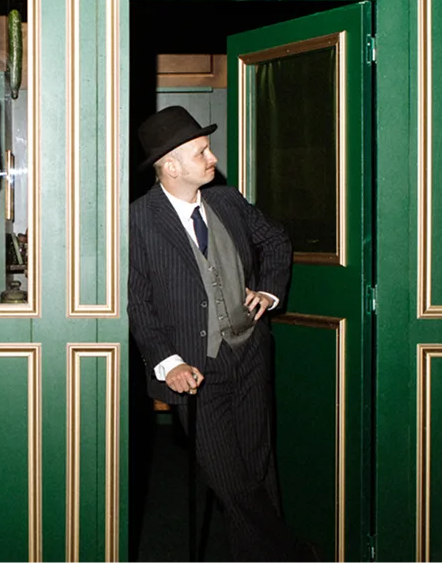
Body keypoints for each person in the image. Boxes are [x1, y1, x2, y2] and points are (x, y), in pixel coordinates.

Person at [127, 105, 304, 561]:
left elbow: (276, 239)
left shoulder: (227, 201)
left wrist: (269, 291)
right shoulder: (138, 221)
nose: (213, 158)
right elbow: (138, 303)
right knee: (230, 478)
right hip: (196, 371)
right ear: (170, 166)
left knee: (259, 470)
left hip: (250, 356)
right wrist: (168, 363)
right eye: (201, 152)